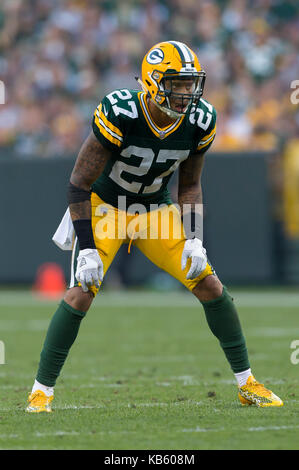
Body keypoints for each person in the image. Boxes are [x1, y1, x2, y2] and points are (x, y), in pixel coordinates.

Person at [26, 41, 283, 412]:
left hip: (154, 210)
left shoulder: (200, 119)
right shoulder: (121, 111)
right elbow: (78, 183)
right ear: (152, 82)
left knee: (209, 283)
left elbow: (190, 185)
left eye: (191, 84)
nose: (186, 93)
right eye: (177, 84)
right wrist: (85, 247)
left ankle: (247, 384)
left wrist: (194, 240)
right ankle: (41, 390)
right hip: (105, 208)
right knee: (83, 289)